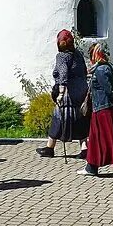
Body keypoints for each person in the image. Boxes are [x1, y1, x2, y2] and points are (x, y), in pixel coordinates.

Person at [77, 42, 113, 180]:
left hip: (104, 109)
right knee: (95, 138)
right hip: (99, 109)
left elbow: (110, 91)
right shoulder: (100, 68)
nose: (90, 58)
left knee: (112, 139)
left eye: (91, 54)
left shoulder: (101, 70)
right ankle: (91, 167)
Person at [36, 29, 89, 159]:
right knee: (80, 118)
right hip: (81, 90)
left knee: (59, 118)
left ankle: (50, 148)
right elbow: (84, 70)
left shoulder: (62, 56)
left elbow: (63, 73)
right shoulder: (78, 54)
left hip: (68, 93)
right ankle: (84, 148)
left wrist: (61, 92)